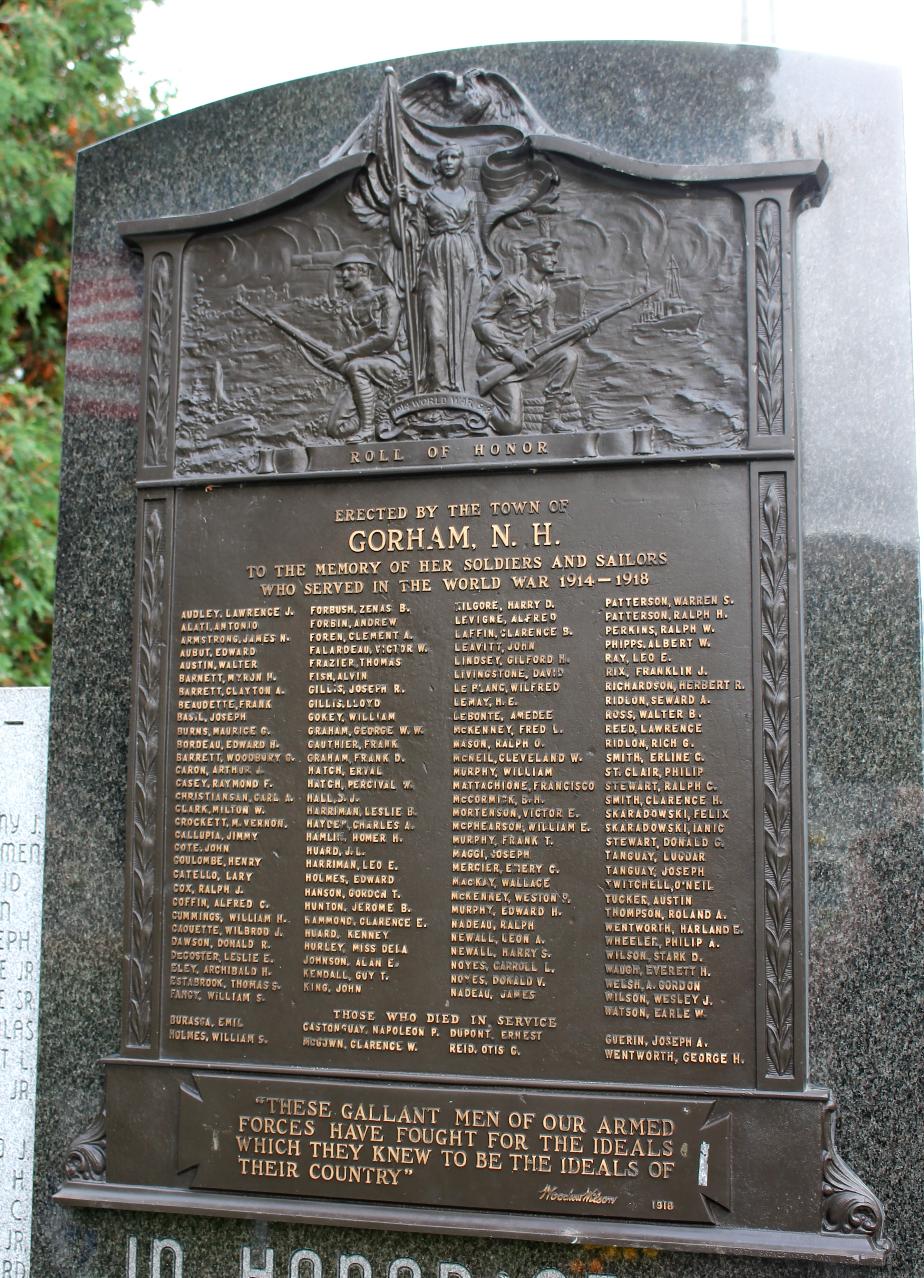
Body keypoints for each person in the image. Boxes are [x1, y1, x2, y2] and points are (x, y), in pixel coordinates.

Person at [473, 238, 595, 434]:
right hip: (499, 362)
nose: (555, 260)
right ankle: (473, 408)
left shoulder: (548, 294)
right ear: (535, 257)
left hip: (529, 359)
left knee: (568, 355)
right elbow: (481, 321)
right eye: (549, 254)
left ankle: (551, 420)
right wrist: (511, 353)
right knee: (511, 426)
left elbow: (549, 336)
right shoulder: (508, 286)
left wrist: (580, 334)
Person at [396, 144, 489, 394]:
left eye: (454, 156)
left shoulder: (469, 197)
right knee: (435, 329)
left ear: (461, 162)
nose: (448, 161)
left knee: (461, 329)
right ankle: (437, 385)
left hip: (464, 261)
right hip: (433, 262)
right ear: (438, 163)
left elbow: (474, 233)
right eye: (444, 157)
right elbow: (410, 238)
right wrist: (397, 207)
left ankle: (460, 385)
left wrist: (484, 269)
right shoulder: (426, 198)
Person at [321, 250, 406, 437]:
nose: (344, 275)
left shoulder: (385, 295)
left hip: (396, 363)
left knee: (356, 367)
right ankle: (378, 416)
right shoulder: (347, 311)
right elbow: (354, 349)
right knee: (335, 429)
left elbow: (386, 337)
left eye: (350, 269)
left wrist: (346, 356)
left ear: (364, 272)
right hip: (364, 369)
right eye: (342, 271)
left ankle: (367, 428)